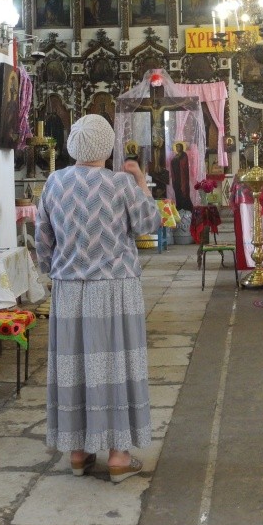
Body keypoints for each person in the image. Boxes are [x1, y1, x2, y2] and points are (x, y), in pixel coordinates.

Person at [35, 114, 159, 483]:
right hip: (116, 289)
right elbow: (150, 223)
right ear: (107, 147)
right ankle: (119, 455)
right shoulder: (120, 184)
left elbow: (43, 239)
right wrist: (141, 183)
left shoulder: (54, 183)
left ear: (74, 144)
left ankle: (78, 451)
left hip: (70, 290)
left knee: (74, 368)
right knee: (116, 367)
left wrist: (54, 268)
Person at [170, 141, 192, 210]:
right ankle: (179, 205)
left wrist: (177, 161)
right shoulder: (175, 156)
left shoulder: (184, 155)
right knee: (177, 192)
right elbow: (172, 164)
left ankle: (185, 206)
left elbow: (184, 164)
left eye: (178, 147)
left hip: (182, 177)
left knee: (183, 191)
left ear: (182, 147)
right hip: (176, 177)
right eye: (176, 147)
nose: (177, 148)